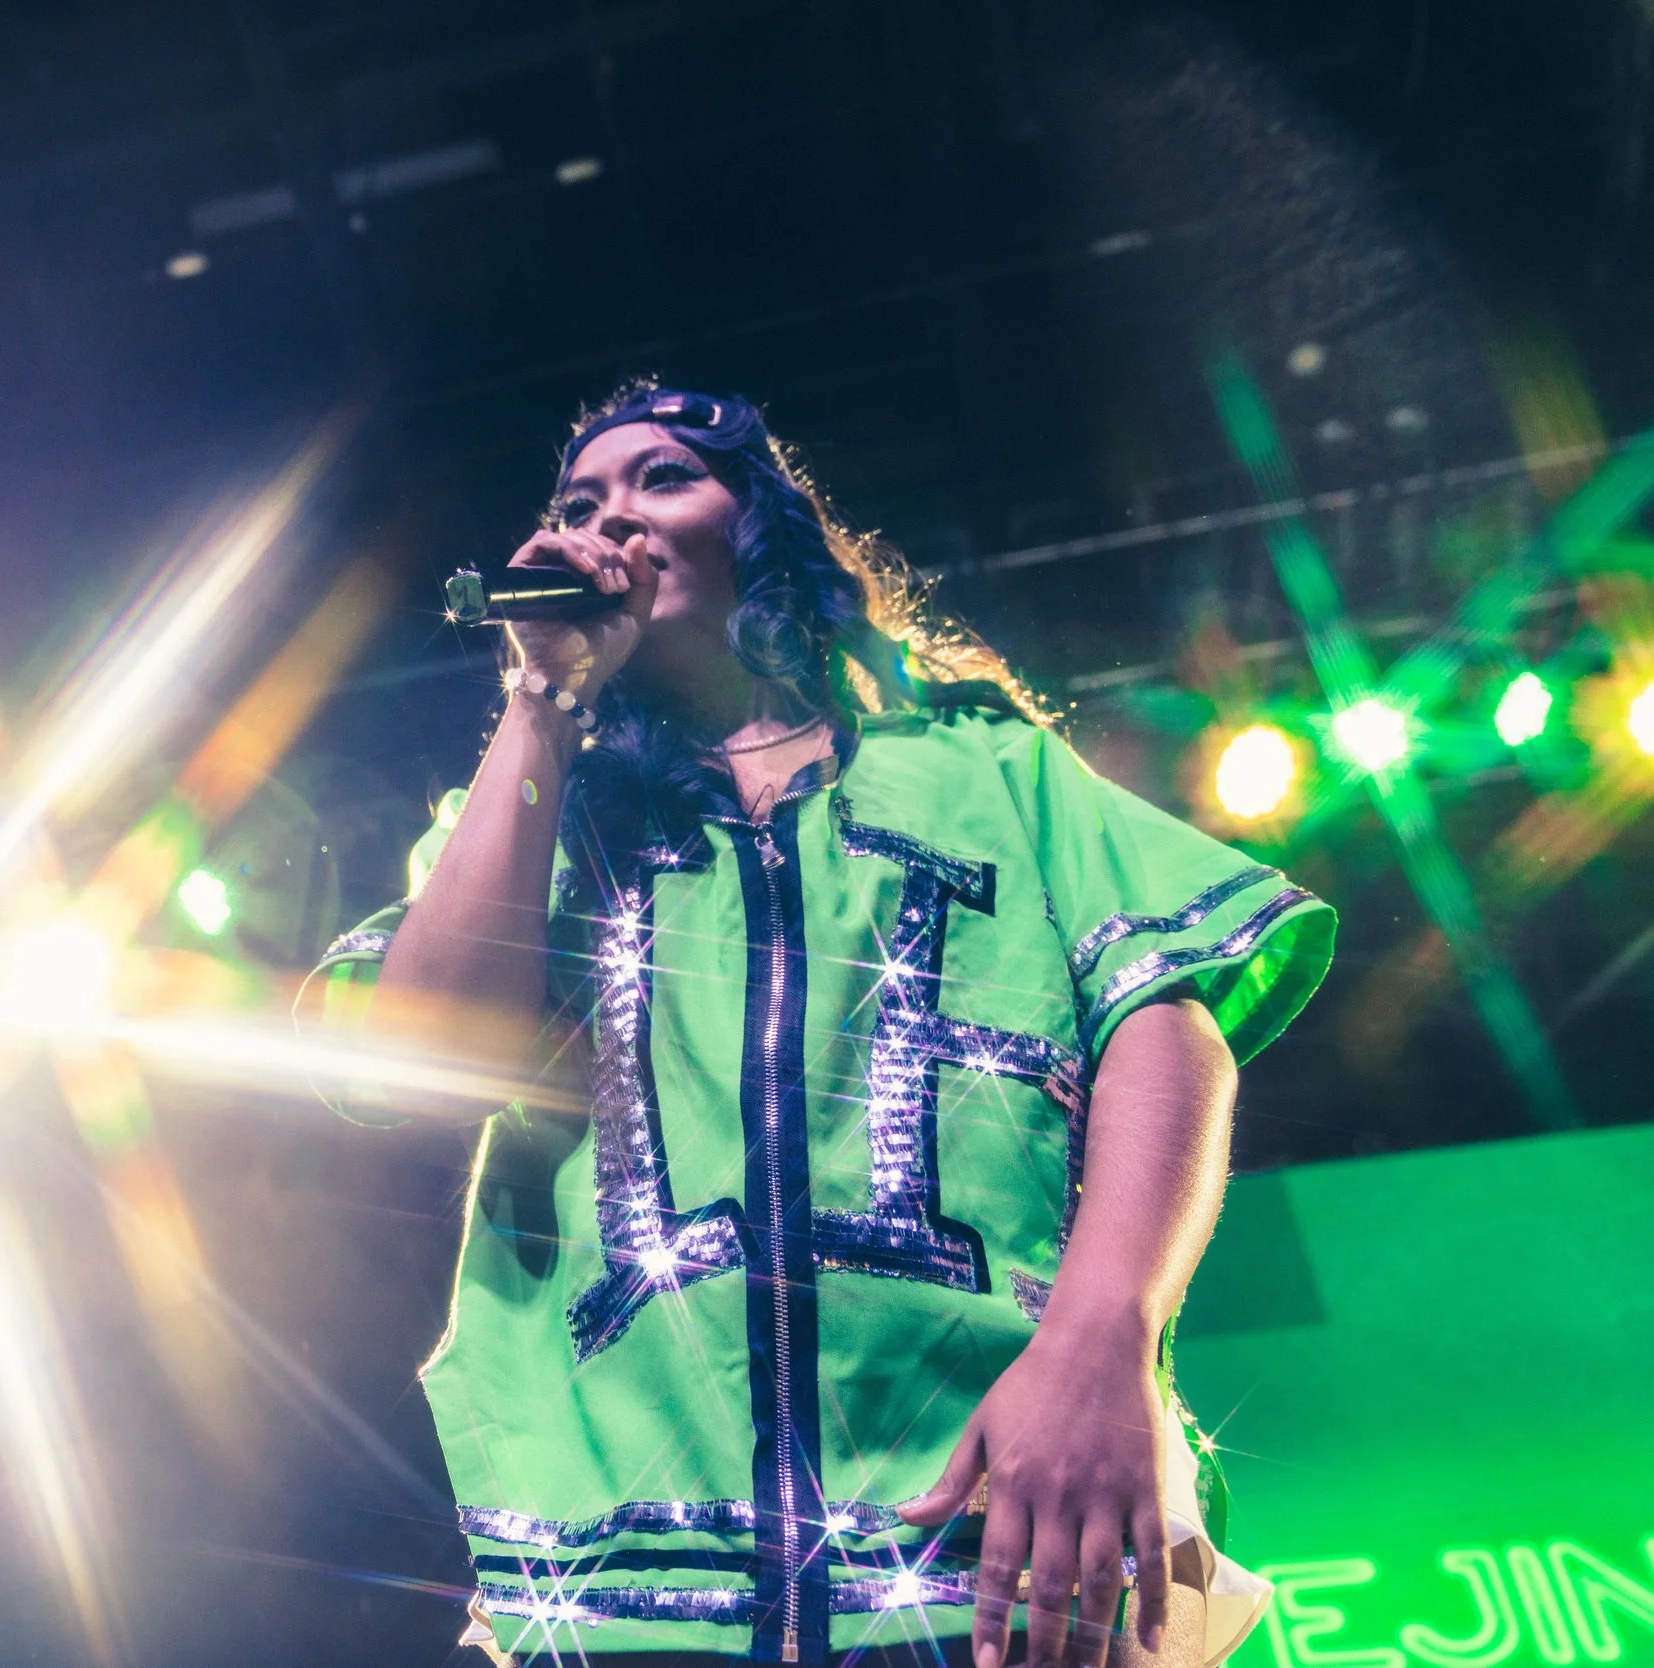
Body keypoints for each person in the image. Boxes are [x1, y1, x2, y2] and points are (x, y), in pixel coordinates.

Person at [300, 384, 1333, 1668]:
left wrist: (1100, 1341)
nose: (608, 518)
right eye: (578, 502)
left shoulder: (984, 770)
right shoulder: (532, 821)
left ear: (760, 526)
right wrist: (539, 704)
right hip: (624, 1582)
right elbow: (418, 1062)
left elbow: (1164, 1031)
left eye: (660, 477)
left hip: (983, 1529)